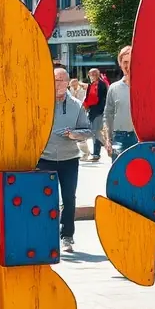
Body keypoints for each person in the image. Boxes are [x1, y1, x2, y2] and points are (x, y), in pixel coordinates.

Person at [39, 68, 91, 253]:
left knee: (69, 198)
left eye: (61, 80)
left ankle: (67, 236)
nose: (58, 84)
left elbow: (87, 131)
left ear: (68, 82)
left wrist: (74, 134)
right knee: (46, 199)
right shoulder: (41, 102)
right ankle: (46, 235)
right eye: (55, 80)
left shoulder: (77, 105)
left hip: (69, 159)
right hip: (44, 158)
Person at [104, 47, 136, 160]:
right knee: (119, 169)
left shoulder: (146, 87)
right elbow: (108, 115)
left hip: (142, 139)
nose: (128, 66)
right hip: (120, 138)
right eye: (125, 62)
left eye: (131, 61)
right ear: (120, 64)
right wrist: (108, 139)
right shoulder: (114, 88)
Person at [83, 68, 109, 161]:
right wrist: (85, 106)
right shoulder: (91, 85)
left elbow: (103, 98)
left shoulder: (102, 84)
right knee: (94, 132)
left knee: (96, 132)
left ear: (98, 75)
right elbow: (88, 97)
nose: (92, 76)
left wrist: (102, 110)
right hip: (92, 110)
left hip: (99, 111)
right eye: (91, 74)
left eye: (94, 74)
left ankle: (99, 152)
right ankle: (99, 151)